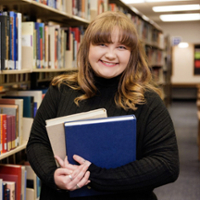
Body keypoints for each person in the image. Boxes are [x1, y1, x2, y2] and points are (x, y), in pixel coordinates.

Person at [26, 11, 179, 200]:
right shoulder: (61, 90)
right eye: (102, 44)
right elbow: (37, 143)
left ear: (132, 54)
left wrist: (93, 176)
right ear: (87, 48)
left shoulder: (147, 100)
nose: (111, 55)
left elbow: (167, 165)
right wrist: (53, 175)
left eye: (121, 47)